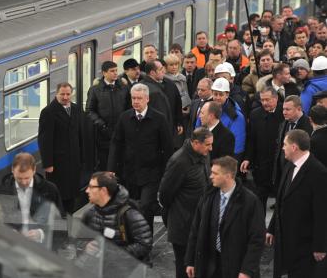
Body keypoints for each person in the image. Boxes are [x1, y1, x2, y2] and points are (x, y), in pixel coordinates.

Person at [185, 156, 265, 278]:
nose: (211, 176)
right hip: (210, 264)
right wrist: (190, 260)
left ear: (228, 176)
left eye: (215, 173)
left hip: (236, 266)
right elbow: (195, 229)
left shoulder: (250, 201)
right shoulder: (208, 196)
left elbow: (257, 239)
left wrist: (247, 270)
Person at [108, 83, 173, 230]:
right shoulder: (125, 117)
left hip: (151, 173)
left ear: (147, 99)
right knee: (129, 208)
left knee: (145, 207)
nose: (136, 101)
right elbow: (116, 143)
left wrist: (166, 172)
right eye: (133, 98)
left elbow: (167, 147)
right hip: (129, 172)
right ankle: (133, 240)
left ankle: (146, 242)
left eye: (139, 98)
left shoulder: (159, 119)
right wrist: (111, 168)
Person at [267, 129, 327, 278]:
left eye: (284, 144)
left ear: (294, 147)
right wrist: (272, 228)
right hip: (286, 238)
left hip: (305, 243)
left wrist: (320, 246)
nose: (282, 147)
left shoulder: (319, 172)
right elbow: (281, 200)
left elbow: (322, 212)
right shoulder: (289, 165)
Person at [159, 127, 213, 278]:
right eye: (208, 144)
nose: (211, 148)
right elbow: (165, 193)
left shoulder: (203, 154)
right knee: (184, 265)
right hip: (182, 223)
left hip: (199, 221)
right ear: (196, 143)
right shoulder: (179, 161)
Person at [82, 171, 152, 261]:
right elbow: (79, 239)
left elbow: (145, 245)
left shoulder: (129, 214)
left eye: (91, 187)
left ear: (103, 190)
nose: (87, 190)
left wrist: (115, 254)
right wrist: (86, 246)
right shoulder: (90, 214)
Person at [38, 82, 82, 214]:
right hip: (57, 163)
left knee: (72, 195)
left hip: (73, 160)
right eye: (62, 94)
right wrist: (48, 164)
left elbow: (79, 134)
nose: (65, 97)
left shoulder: (76, 109)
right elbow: (44, 140)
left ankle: (69, 219)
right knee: (58, 195)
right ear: (56, 94)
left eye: (68, 94)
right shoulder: (48, 112)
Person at [0, 153, 63, 235]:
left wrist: (41, 233)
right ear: (12, 170)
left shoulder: (50, 190)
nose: (23, 182)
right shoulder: (0, 192)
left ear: (34, 170)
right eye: (19, 178)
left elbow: (60, 222)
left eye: (27, 178)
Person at [240, 87, 284, 213]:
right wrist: (247, 158)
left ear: (275, 99)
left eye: (268, 100)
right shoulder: (255, 114)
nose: (264, 103)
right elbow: (251, 139)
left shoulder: (284, 112)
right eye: (262, 100)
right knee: (260, 199)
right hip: (262, 165)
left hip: (280, 165)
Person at [86, 61, 129, 171]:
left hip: (122, 131)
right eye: (112, 71)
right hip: (104, 134)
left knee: (122, 163)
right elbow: (90, 110)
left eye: (116, 71)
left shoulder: (123, 88)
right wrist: (102, 125)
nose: (115, 73)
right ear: (104, 73)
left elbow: (129, 107)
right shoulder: (95, 90)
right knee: (106, 163)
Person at [272, 95, 313, 192]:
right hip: (283, 171)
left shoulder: (308, 126)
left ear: (299, 109)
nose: (284, 112)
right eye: (283, 109)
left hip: (298, 173)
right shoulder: (284, 123)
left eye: (288, 109)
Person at [206, 77, 246, 159]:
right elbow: (198, 130)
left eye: (221, 94)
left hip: (225, 158)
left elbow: (237, 144)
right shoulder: (205, 109)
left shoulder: (236, 116)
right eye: (215, 94)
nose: (217, 97)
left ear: (227, 94)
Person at [141, 60, 183, 135]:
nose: (163, 71)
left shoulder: (169, 83)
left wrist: (178, 122)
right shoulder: (149, 90)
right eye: (160, 69)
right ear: (152, 73)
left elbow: (177, 103)